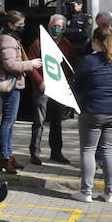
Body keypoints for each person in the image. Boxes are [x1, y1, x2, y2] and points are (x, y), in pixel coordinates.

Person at [71, 26, 112, 202]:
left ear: (95, 41)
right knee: (110, 150)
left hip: (92, 111)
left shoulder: (89, 61)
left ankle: (86, 192)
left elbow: (76, 86)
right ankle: (110, 193)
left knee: (88, 150)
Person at [26, 14, 78, 166]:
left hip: (59, 90)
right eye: (53, 26)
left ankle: (56, 152)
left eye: (59, 27)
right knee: (39, 122)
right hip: (42, 88)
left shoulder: (67, 45)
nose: (56, 29)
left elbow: (72, 65)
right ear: (48, 27)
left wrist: (67, 84)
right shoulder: (39, 43)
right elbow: (31, 66)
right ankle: (35, 152)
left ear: (64, 29)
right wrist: (40, 82)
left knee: (57, 122)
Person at [0, 10, 43, 174]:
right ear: (10, 25)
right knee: (7, 123)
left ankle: (9, 157)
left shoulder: (10, 38)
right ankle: (4, 158)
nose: (22, 26)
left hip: (14, 83)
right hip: (10, 83)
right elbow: (11, 65)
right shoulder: (7, 39)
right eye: (19, 24)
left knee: (10, 122)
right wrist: (31, 64)